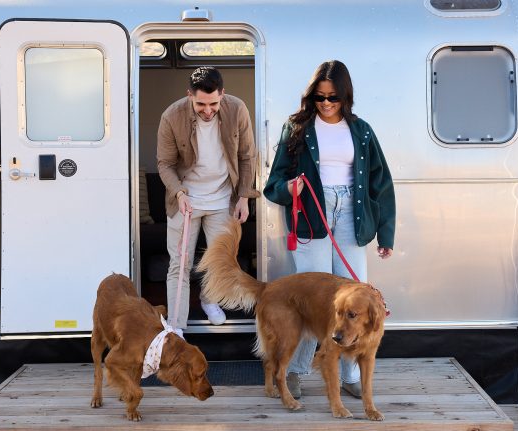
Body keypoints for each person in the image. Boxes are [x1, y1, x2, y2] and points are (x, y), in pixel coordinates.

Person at [263, 60, 396, 399]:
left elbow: (381, 184)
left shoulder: (362, 129)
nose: (325, 104)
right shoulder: (296, 128)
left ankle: (350, 374)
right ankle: (294, 371)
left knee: (355, 300)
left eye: (333, 98)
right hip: (312, 214)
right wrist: (289, 188)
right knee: (313, 300)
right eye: (319, 97)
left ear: (345, 97)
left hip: (353, 212)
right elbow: (273, 183)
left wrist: (386, 234)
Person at [157, 66, 258, 329]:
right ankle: (176, 326)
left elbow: (247, 157)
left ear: (222, 94)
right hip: (186, 199)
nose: (208, 110)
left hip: (222, 198)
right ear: (189, 95)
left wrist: (244, 197)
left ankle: (208, 299)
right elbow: (164, 164)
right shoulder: (172, 115)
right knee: (180, 264)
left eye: (214, 103)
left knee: (220, 261)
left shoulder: (237, 109)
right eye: (201, 103)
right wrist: (178, 192)